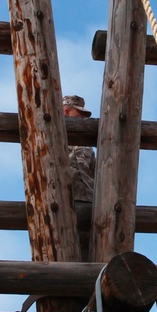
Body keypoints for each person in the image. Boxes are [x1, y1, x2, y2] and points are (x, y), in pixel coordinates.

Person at [63, 94, 95, 260]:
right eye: (80, 114)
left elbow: (96, 173)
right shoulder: (52, 138)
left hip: (90, 204)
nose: (83, 118)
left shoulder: (86, 145)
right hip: (63, 203)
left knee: (90, 254)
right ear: (66, 112)